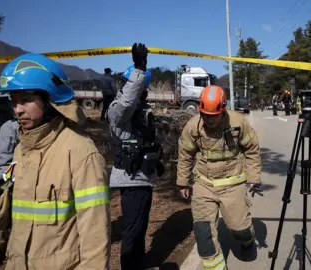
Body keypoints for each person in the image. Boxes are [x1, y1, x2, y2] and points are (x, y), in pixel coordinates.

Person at [0, 53, 111, 269]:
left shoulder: (81, 153)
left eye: (25, 100)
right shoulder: (19, 152)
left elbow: (95, 238)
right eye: (14, 101)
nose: (17, 110)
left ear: (50, 99)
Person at [177, 85, 262, 270]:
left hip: (233, 184)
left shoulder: (238, 123)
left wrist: (254, 177)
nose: (209, 120)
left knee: (240, 230)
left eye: (213, 115)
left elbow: (252, 149)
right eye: (205, 115)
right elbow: (185, 155)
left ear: (223, 110)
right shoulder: (193, 126)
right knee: (203, 233)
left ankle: (247, 241)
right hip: (204, 184)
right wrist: (183, 182)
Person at [107, 43, 163, 270]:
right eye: (143, 89)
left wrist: (157, 161)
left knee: (140, 227)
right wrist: (139, 67)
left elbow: (145, 140)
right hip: (132, 179)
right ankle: (131, 265)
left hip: (142, 177)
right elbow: (127, 101)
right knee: (132, 230)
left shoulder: (139, 111)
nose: (146, 93)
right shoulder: (118, 110)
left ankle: (139, 263)